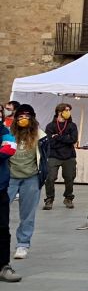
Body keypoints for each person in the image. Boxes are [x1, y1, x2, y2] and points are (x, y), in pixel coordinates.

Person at [6, 105, 47, 260]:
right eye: (20, 116)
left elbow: (45, 158)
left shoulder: (41, 136)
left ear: (32, 118)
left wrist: (42, 176)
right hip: (9, 177)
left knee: (28, 214)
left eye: (27, 116)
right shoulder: (8, 133)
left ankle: (23, 244)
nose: (23, 119)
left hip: (31, 177)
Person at [43, 102, 77, 210]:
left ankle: (68, 198)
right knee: (50, 178)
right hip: (54, 155)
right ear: (59, 111)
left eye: (69, 110)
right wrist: (65, 139)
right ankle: (49, 199)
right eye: (66, 110)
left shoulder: (72, 125)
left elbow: (73, 139)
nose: (68, 112)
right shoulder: (50, 126)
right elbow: (50, 142)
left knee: (70, 178)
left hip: (69, 156)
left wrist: (57, 137)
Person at [0, 114, 20, 282]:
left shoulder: (4, 132)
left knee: (2, 229)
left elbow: (9, 149)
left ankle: (3, 266)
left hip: (0, 189)